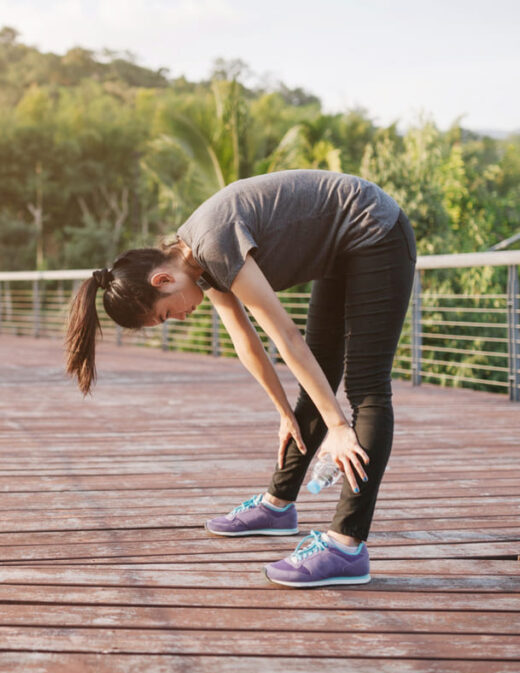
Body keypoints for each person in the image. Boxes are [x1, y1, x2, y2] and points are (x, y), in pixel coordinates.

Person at [65, 169, 416, 588]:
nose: (178, 317)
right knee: (316, 380)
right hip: (342, 248)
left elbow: (284, 334)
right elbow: (245, 341)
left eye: (166, 313)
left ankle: (346, 545)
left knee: (367, 388)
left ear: (163, 280)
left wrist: (339, 426)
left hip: (374, 230)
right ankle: (279, 506)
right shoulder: (198, 262)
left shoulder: (212, 243)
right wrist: (283, 411)